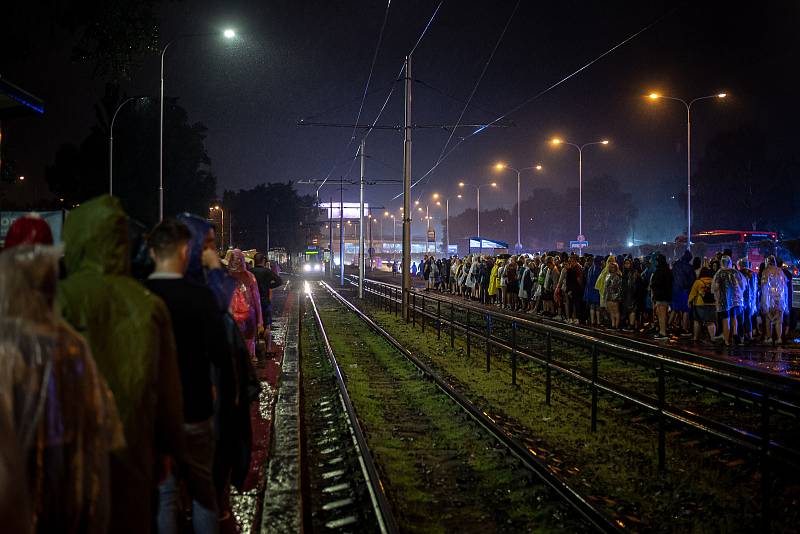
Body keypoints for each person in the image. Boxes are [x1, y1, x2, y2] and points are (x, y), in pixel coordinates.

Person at [57, 196, 184, 534]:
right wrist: (168, 447)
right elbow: (168, 391)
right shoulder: (147, 305)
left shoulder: (58, 300)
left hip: (70, 457)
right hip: (134, 453)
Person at [0, 242, 124, 534]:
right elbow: (101, 424)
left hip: (21, 474)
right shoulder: (71, 346)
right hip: (66, 474)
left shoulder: (7, 348)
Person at [145, 219, 235, 533]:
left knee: (165, 493)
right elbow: (222, 354)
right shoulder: (200, 297)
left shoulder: (140, 295)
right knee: (203, 491)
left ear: (152, 252)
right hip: (196, 406)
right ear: (186, 251)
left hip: (154, 412)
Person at [226, 248, 263, 357]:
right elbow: (257, 299)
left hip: (235, 319)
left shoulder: (226, 277)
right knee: (247, 347)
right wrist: (260, 321)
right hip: (247, 317)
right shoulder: (250, 277)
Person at [711, 255, 746, 346]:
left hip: (723, 300)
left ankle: (727, 341)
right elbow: (742, 286)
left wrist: (718, 298)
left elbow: (715, 287)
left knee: (725, 320)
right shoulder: (735, 273)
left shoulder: (719, 274)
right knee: (734, 317)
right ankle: (734, 335)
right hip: (735, 300)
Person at [252, 253, 284, 351]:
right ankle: (268, 349)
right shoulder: (267, 272)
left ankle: (254, 350)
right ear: (263, 261)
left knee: (254, 324)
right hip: (265, 300)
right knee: (267, 325)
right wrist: (269, 286)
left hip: (253, 302)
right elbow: (279, 281)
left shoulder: (250, 272)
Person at [760, 256, 789, 345]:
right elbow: (784, 286)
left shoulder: (765, 271)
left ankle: (769, 338)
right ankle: (779, 338)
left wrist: (764, 301)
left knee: (768, 319)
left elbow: (763, 286)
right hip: (779, 298)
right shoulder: (780, 271)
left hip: (768, 299)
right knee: (779, 319)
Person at [688, 266, 718, 342]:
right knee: (711, 322)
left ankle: (696, 338)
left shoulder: (698, 282)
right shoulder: (713, 282)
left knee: (697, 321)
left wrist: (689, 301)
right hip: (712, 304)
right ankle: (712, 338)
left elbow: (693, 293)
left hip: (699, 304)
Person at [671, 250, 695, 337]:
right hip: (684, 290)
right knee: (686, 310)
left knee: (675, 309)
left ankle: (670, 325)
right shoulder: (689, 267)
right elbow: (692, 280)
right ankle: (684, 329)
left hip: (675, 290)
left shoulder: (676, 265)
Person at [650, 254, 672, 340]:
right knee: (664, 315)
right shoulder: (668, 270)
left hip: (660, 296)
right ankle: (663, 331)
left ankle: (663, 333)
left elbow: (656, 283)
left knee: (661, 315)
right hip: (666, 296)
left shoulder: (659, 271)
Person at [737, 259, 758, 343]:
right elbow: (755, 288)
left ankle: (741, 338)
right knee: (748, 318)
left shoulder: (738, 273)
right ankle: (750, 336)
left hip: (740, 299)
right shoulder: (753, 274)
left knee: (740, 319)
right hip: (750, 300)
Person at [604, 262, 624, 329]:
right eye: (610, 267)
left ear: (616, 268)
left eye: (612, 267)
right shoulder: (607, 275)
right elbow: (605, 287)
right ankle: (613, 325)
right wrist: (605, 296)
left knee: (616, 311)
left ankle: (617, 325)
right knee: (611, 311)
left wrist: (617, 296)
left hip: (615, 296)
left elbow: (620, 288)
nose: (611, 268)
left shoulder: (618, 276)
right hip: (608, 295)